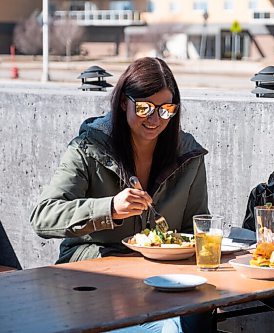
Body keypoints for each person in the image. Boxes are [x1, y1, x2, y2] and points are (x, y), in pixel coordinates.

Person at [30, 57, 211, 333]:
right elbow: (43, 217)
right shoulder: (89, 147)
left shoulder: (188, 155)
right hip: (93, 271)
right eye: (144, 107)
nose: (154, 119)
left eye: (165, 110)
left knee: (200, 310)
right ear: (124, 102)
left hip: (162, 278)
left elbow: (194, 228)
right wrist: (110, 208)